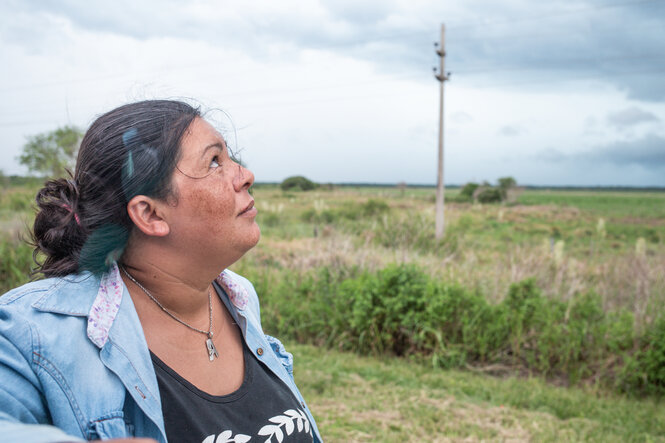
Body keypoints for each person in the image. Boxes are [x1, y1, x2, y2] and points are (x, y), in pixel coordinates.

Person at [0, 100, 322, 443]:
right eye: (214, 161)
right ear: (150, 214)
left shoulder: (237, 297)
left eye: (229, 157)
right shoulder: (31, 332)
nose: (245, 175)